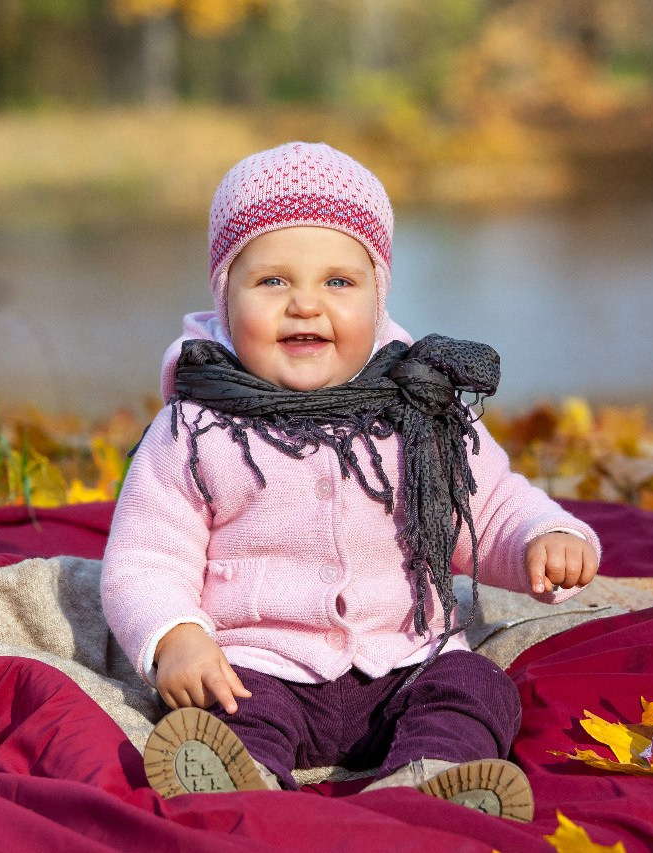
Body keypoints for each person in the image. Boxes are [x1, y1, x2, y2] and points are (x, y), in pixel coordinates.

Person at [101, 142, 600, 822]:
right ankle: (240, 782)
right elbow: (144, 557)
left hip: (405, 656)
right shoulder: (196, 427)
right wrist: (174, 635)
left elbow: (488, 506)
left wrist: (543, 536)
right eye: (272, 281)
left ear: (378, 293)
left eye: (339, 282)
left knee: (475, 684)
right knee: (222, 703)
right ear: (224, 295)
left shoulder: (420, 409)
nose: (306, 304)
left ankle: (432, 777)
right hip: (260, 662)